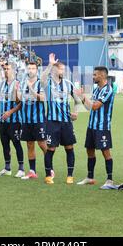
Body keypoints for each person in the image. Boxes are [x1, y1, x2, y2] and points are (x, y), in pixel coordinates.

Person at [40, 53, 79, 185]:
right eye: (60, 69)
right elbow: (42, 78)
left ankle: (70, 175)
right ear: (55, 70)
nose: (62, 71)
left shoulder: (68, 84)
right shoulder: (48, 83)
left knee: (69, 147)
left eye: (63, 69)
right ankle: (48, 175)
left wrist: (75, 112)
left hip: (66, 122)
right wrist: (50, 64)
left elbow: (77, 100)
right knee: (50, 149)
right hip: (52, 121)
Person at [76, 66, 116, 189]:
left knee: (106, 152)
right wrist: (81, 98)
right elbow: (89, 107)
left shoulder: (107, 89)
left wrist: (82, 96)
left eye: (95, 75)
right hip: (92, 125)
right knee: (89, 150)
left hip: (102, 126)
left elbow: (95, 106)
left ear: (103, 75)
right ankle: (90, 177)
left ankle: (110, 180)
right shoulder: (96, 89)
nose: (93, 77)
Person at [0, 62, 25, 178]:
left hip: (14, 121)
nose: (5, 71)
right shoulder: (1, 84)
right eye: (4, 69)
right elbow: (0, 101)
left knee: (16, 143)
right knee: (5, 144)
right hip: (3, 121)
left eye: (8, 69)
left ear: (14, 71)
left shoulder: (18, 84)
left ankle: (21, 168)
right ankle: (7, 168)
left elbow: (20, 103)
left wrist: (10, 112)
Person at [18, 62, 50, 180]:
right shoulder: (22, 83)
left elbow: (42, 99)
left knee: (42, 144)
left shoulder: (40, 83)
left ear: (37, 70)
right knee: (30, 145)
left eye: (33, 68)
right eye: (29, 68)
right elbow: (20, 99)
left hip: (39, 120)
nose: (31, 70)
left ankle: (50, 168)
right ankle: (32, 171)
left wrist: (32, 91)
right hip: (26, 120)